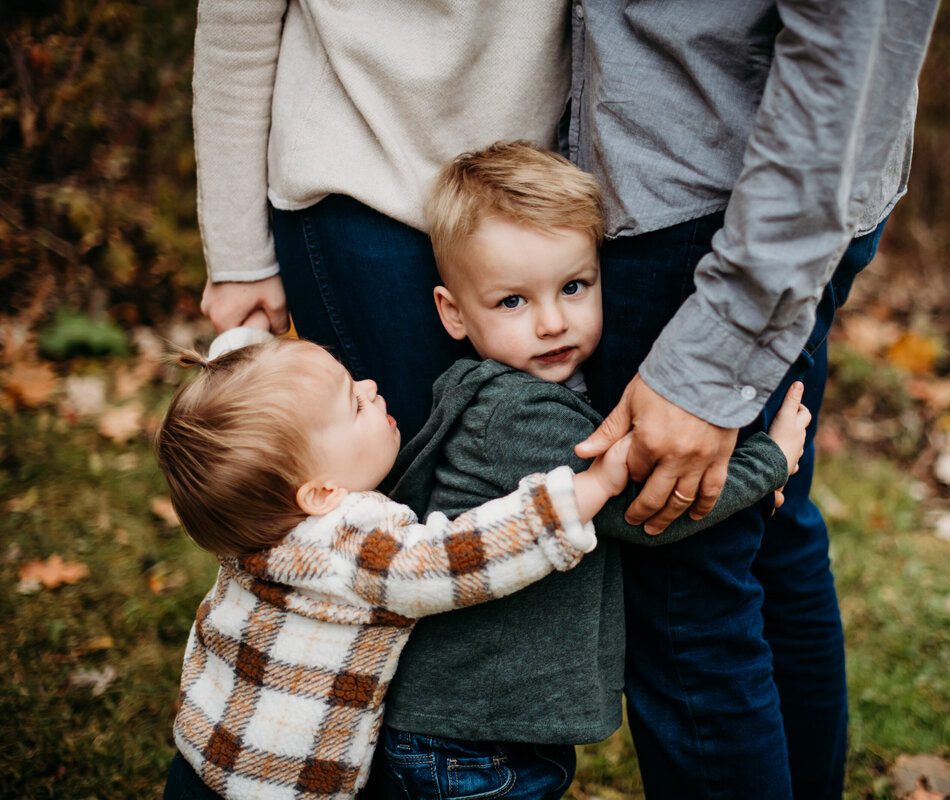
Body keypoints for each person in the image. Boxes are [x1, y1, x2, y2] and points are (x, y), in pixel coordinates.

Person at [565, 2, 940, 798]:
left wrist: (723, 341)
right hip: (746, 194)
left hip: (718, 210)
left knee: (683, 594)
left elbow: (850, 40)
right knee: (764, 540)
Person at [367, 142, 812, 799]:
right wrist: (768, 463)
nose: (552, 322)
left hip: (474, 733)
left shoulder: (518, 394)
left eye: (574, 287)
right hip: (468, 743)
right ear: (453, 312)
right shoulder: (516, 416)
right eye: (513, 302)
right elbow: (640, 509)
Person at [154, 335, 633, 800]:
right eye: (354, 405)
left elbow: (249, 403)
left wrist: (242, 347)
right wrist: (587, 492)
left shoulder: (253, 528)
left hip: (204, 754)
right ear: (321, 493)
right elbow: (462, 559)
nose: (368, 386)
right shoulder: (349, 547)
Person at [191, 0, 574, 443]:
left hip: (540, 188)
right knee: (404, 483)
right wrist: (237, 257)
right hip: (363, 180)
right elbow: (237, 27)